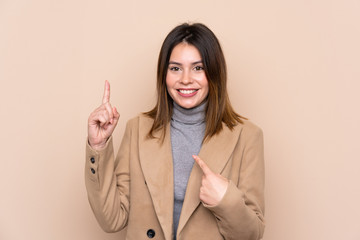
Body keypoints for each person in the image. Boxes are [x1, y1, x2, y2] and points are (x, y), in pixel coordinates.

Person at [85, 23, 265, 240]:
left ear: (215, 73)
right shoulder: (137, 129)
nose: (186, 79)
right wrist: (98, 147)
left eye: (198, 68)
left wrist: (225, 199)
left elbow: (251, 234)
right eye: (175, 68)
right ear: (164, 74)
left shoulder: (247, 136)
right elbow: (112, 219)